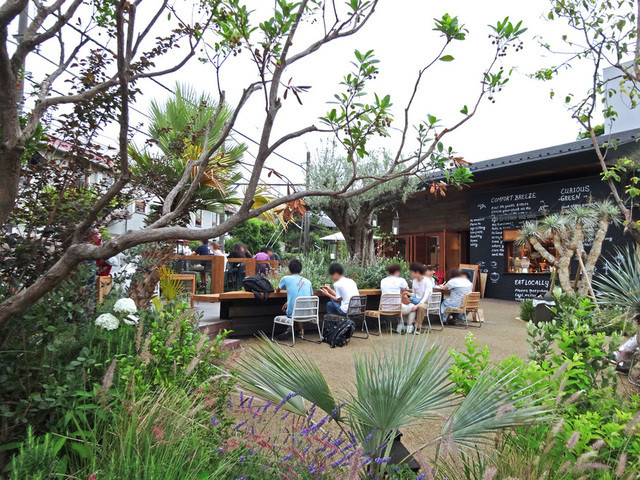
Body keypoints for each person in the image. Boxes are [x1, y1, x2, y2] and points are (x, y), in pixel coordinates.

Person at [275, 259, 313, 339]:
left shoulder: (285, 279)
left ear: (289, 269)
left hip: (294, 312)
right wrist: (289, 302)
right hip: (308, 313)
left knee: (293, 310)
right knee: (296, 309)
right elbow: (309, 296)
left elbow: (277, 290)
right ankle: (300, 331)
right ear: (300, 269)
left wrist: (289, 302)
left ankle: (289, 328)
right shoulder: (308, 282)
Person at [400, 263, 435, 334]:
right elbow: (415, 295)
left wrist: (418, 305)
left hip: (424, 302)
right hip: (415, 301)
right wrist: (408, 294)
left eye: (412, 272)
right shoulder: (414, 281)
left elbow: (426, 296)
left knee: (421, 307)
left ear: (417, 272)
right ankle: (407, 325)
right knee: (408, 306)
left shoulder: (427, 281)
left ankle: (417, 327)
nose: (411, 274)